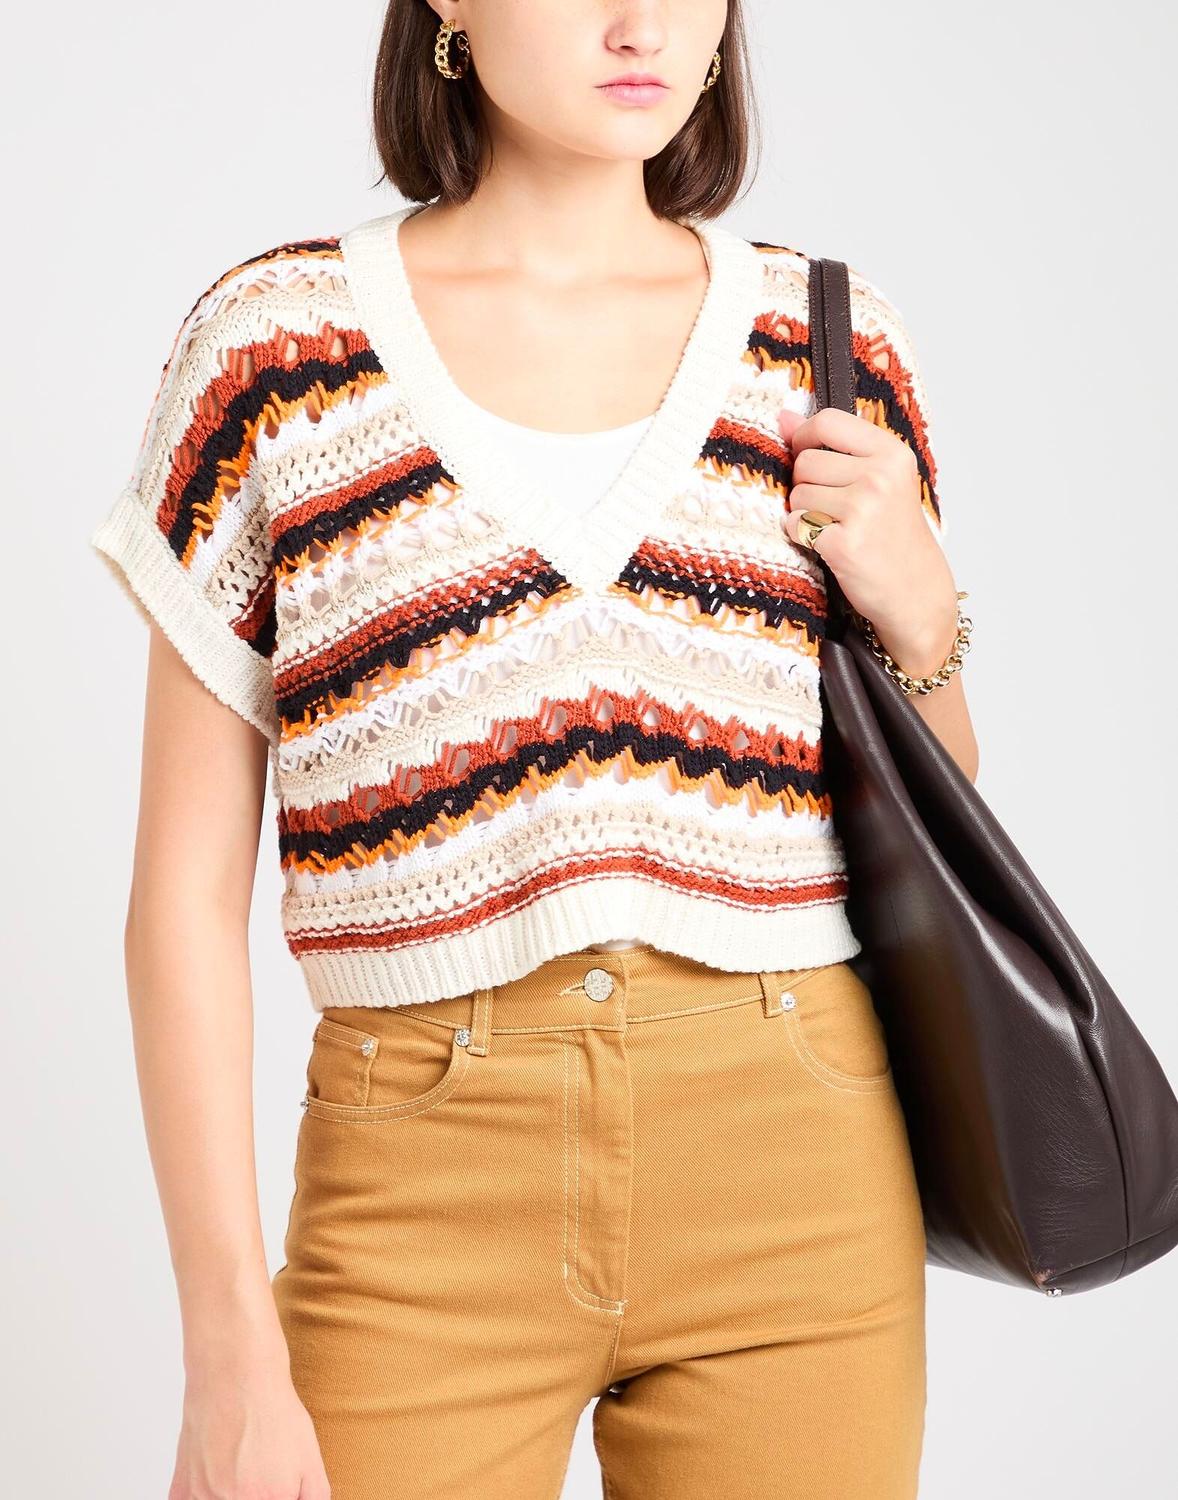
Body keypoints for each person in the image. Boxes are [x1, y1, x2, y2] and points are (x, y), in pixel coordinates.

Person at [89, 3, 979, 1496]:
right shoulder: (275, 349)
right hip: (419, 1189)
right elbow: (181, 898)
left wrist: (924, 609)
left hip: (797, 1171)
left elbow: (938, 833)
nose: (641, 24)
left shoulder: (828, 344)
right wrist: (228, 1348)